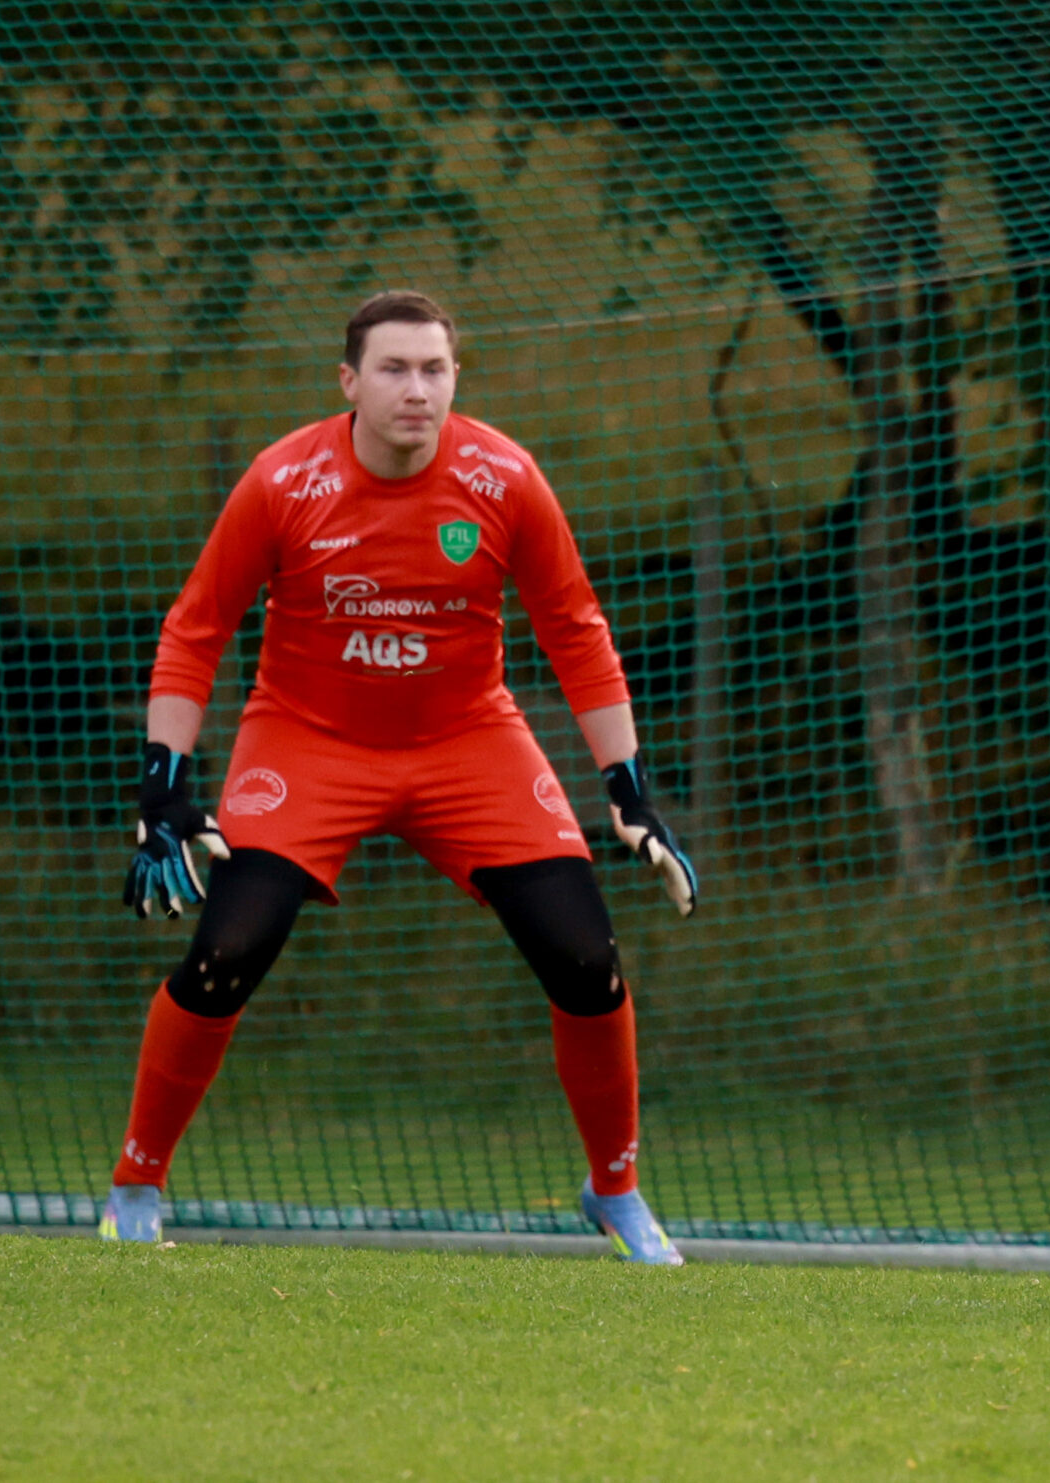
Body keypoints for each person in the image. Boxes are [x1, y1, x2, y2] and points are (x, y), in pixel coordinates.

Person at [104, 289, 700, 1265]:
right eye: (393, 369)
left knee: (587, 962)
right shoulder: (282, 481)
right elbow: (195, 629)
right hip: (307, 742)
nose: (416, 390)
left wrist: (629, 791)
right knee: (223, 954)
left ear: (455, 378)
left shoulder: (503, 478)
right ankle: (136, 1184)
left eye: (434, 369)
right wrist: (163, 788)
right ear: (348, 381)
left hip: (469, 743)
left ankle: (617, 1193)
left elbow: (576, 631)